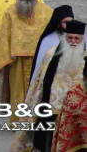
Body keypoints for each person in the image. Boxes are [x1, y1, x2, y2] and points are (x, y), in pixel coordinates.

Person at [10, 20, 86, 152]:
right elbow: (39, 82)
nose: (73, 41)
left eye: (76, 38)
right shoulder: (51, 54)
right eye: (70, 38)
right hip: (51, 108)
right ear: (64, 37)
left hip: (75, 112)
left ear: (82, 39)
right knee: (48, 141)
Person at [29, 5, 76, 85]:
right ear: (58, 23)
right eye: (66, 22)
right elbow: (40, 64)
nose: (69, 25)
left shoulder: (77, 37)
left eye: (71, 22)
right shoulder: (48, 40)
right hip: (53, 81)